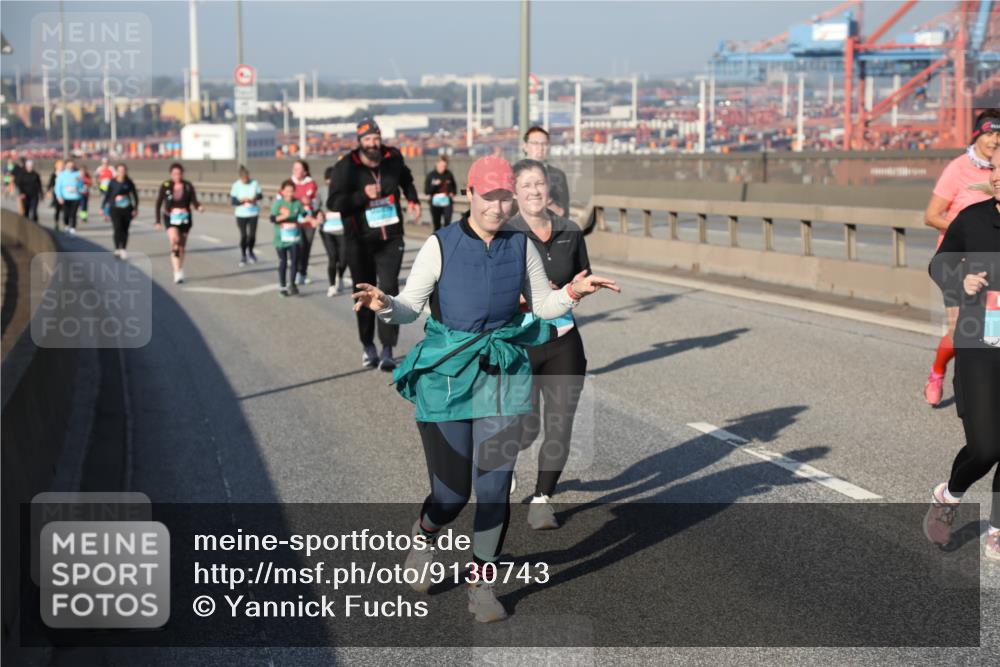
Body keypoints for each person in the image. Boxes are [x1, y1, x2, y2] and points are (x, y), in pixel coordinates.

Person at [353, 156, 620, 622]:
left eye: (505, 198)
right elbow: (410, 307)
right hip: (448, 375)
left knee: (494, 488)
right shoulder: (441, 245)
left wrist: (575, 293)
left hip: (501, 372)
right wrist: (383, 304)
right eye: (489, 197)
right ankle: (424, 535)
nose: (498, 207)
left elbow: (543, 305)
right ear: (470, 194)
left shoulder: (521, 246)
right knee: (451, 495)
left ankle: (481, 585)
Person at [923, 149, 1000, 562]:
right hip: (978, 342)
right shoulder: (973, 219)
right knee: (986, 448)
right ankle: (949, 495)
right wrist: (960, 280)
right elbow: (939, 264)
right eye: (996, 169)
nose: (998, 176)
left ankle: (997, 529)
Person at [507, 159, 592, 529]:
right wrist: (530, 298)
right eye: (526, 185)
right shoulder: (505, 234)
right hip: (520, 343)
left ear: (549, 187)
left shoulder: (570, 230)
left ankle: (542, 499)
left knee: (560, 423)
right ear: (515, 192)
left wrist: (573, 292)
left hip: (562, 339)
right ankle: (505, 461)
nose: (534, 191)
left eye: (539, 183)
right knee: (524, 427)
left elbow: (583, 277)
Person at [327, 117, 421, 371]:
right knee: (365, 294)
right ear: (360, 142)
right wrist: (361, 196)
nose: (373, 143)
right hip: (359, 241)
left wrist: (413, 199)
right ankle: (368, 345)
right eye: (367, 139)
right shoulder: (346, 166)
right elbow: (333, 202)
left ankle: (388, 348)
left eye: (376, 138)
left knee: (388, 289)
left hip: (390, 237)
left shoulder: (393, 157)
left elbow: (406, 178)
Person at [922, 110, 1000, 406]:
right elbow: (931, 215)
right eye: (989, 133)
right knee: (960, 333)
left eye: (999, 134)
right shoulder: (958, 168)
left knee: (993, 334)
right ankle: (938, 372)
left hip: (993, 268)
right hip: (960, 264)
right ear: (977, 135)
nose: (994, 140)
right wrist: (970, 231)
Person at [154, 163, 204, 284]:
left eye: (179, 173)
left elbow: (194, 200)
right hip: (170, 217)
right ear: (171, 174)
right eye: (174, 174)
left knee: (181, 247)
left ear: (182, 174)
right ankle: (176, 271)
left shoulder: (187, 186)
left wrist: (199, 207)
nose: (177, 176)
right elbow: (158, 203)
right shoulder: (166, 185)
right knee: (174, 241)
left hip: (185, 218)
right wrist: (157, 221)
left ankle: (180, 267)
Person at [270, 179, 315, 297]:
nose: (289, 193)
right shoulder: (278, 204)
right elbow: (272, 219)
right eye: (287, 191)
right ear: (282, 191)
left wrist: (313, 219)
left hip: (294, 238)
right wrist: (283, 217)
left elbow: (305, 215)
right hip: (281, 239)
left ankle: (292, 284)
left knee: (294, 261)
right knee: (283, 262)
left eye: (291, 191)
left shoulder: (297, 203)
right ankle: (282, 286)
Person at [522, 126, 570, 218]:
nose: (540, 148)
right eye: (535, 143)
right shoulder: (513, 172)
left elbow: (564, 214)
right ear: (525, 146)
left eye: (544, 144)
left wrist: (547, 201)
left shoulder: (558, 175)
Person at [321, 165, 349, 297]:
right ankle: (332, 286)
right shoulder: (321, 191)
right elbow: (315, 207)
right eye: (329, 180)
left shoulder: (344, 191)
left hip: (342, 230)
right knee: (332, 258)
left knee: (343, 260)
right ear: (326, 180)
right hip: (328, 231)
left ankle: (340, 277)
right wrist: (318, 213)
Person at [101, 163, 139, 259]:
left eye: (123, 170)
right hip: (115, 209)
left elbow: (135, 196)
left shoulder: (129, 182)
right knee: (117, 228)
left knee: (125, 229)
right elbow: (107, 195)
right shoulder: (112, 182)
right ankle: (117, 248)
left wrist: (135, 208)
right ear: (117, 172)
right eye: (120, 170)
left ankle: (123, 249)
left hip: (127, 208)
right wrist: (102, 207)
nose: (121, 172)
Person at [292, 160, 319, 285]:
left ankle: (303, 273)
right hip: (295, 221)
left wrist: (309, 201)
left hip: (309, 221)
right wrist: (300, 200)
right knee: (299, 246)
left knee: (306, 247)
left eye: (298, 168)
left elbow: (315, 200)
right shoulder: (290, 183)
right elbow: (285, 198)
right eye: (294, 168)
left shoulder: (311, 183)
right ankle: (297, 271)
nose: (295, 171)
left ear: (305, 171)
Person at [230, 166, 263, 266]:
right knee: (244, 235)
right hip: (241, 214)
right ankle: (243, 255)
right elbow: (233, 201)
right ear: (240, 178)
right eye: (244, 178)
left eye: (247, 178)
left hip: (253, 212)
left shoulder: (254, 183)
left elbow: (260, 195)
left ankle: (251, 251)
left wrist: (254, 198)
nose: (246, 180)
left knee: (252, 235)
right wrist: (241, 201)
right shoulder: (236, 185)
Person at [424, 154, 457, 231]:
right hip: (435, 202)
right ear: (437, 164)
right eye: (441, 166)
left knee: (447, 223)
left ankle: (446, 237)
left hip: (447, 202)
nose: (443, 168)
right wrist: (434, 185)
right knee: (437, 224)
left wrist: (452, 193)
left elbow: (454, 187)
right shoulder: (431, 175)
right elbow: (426, 191)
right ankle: (437, 237)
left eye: (444, 166)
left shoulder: (449, 175)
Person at [54, 159, 85, 235]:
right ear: (66, 165)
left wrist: (77, 188)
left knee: (73, 214)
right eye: (69, 165)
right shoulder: (62, 175)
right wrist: (59, 197)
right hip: (65, 197)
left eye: (72, 165)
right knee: (66, 214)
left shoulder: (77, 174)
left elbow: (81, 185)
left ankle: (73, 228)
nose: (70, 166)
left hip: (76, 197)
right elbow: (57, 187)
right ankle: (66, 225)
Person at [47, 159, 64, 230]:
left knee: (65, 210)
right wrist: (48, 191)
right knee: (57, 209)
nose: (61, 166)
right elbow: (50, 184)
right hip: (56, 194)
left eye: (62, 165)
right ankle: (56, 222)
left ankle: (66, 223)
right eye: (59, 165)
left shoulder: (65, 174)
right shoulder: (54, 174)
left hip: (65, 194)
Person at [96, 156, 115, 221]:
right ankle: (105, 213)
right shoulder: (99, 169)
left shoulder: (111, 168)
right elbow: (96, 177)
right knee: (104, 200)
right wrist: (98, 182)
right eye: (104, 163)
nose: (105, 164)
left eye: (106, 162)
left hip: (110, 188)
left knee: (109, 201)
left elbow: (115, 177)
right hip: (103, 187)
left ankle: (107, 214)